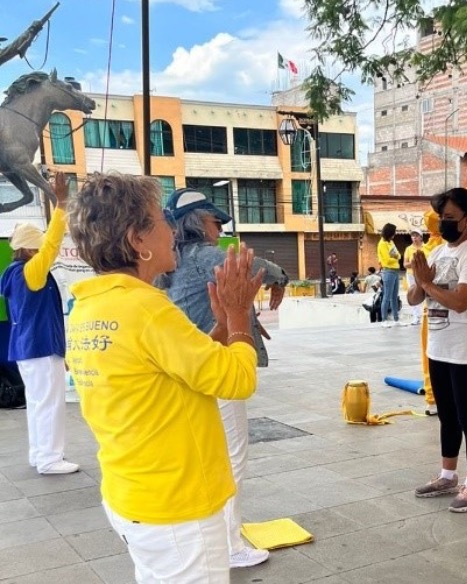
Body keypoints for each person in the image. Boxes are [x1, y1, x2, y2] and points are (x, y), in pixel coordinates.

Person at [65, 172, 261, 582]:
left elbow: (167, 371)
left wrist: (222, 327)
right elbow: (235, 380)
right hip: (177, 507)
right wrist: (241, 317)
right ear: (138, 239)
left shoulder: (90, 306)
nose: (172, 229)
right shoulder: (148, 310)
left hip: (134, 493)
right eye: (160, 219)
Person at [158, 188, 289, 569]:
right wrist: (280, 277)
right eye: (216, 222)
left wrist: (248, 319)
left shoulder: (173, 263)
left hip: (191, 366)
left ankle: (217, 535)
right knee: (232, 455)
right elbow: (248, 265)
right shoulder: (202, 255)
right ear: (198, 222)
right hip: (215, 366)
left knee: (210, 454)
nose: (221, 230)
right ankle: (229, 542)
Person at [408, 188, 467, 513]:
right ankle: (447, 474)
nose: (444, 223)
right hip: (439, 347)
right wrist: (420, 282)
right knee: (446, 416)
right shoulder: (439, 252)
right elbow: (414, 300)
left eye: (450, 218)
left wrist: (428, 284)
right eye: (442, 217)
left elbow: (460, 301)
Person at [0, 172, 78, 475]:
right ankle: (49, 459)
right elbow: (53, 246)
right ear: (32, 250)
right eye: (40, 247)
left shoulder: (15, 274)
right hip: (40, 349)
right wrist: (62, 204)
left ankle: (39, 454)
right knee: (50, 404)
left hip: (30, 349)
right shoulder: (31, 272)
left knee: (38, 404)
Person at [419, 208, 445, 416]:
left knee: (429, 354)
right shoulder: (447, 248)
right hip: (446, 308)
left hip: (431, 310)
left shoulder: (426, 250)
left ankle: (432, 399)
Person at [377, 223, 401, 327]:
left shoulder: (391, 242)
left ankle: (396, 319)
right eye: (393, 232)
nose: (395, 234)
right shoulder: (382, 244)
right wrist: (394, 257)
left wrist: (395, 256)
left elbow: (399, 255)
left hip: (396, 271)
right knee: (387, 296)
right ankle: (384, 320)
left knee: (394, 296)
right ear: (389, 233)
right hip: (388, 271)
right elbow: (386, 260)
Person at [403, 229, 425, 325]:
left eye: (416, 235)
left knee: (426, 294)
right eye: (412, 236)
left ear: (421, 237)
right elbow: (405, 264)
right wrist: (413, 264)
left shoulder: (426, 247)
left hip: (423, 274)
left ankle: (425, 315)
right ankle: (416, 317)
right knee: (414, 294)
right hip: (411, 274)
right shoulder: (408, 249)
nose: (414, 238)